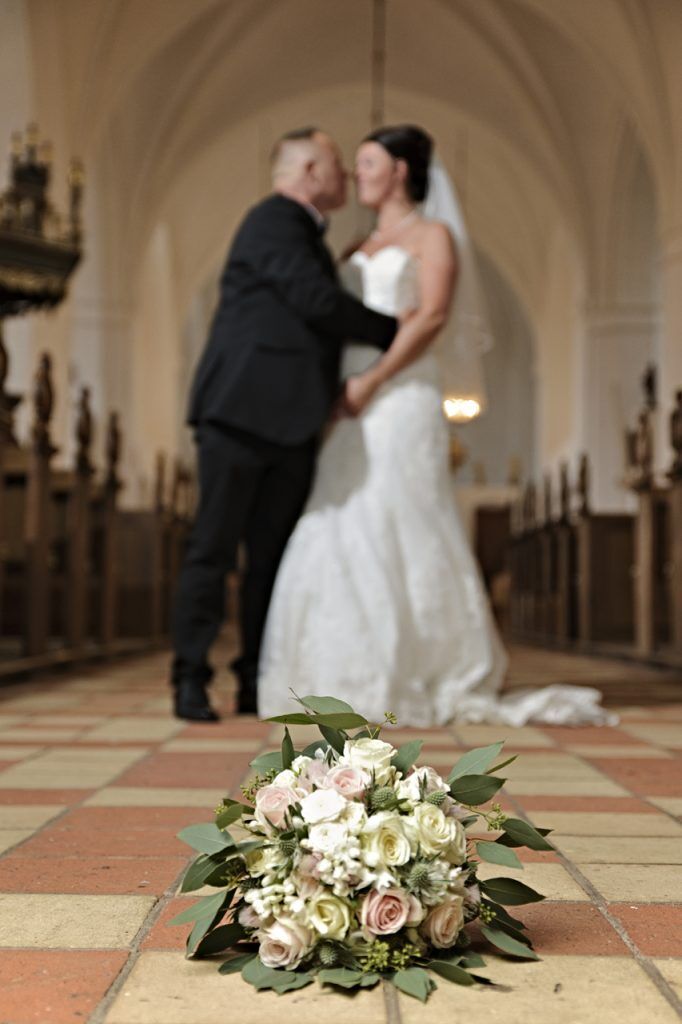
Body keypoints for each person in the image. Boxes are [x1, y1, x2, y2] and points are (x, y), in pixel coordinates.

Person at [258, 124, 615, 728]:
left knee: (403, 515)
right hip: (347, 404)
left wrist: (372, 381)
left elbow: (432, 318)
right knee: (339, 519)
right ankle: (333, 667)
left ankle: (419, 669)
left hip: (399, 398)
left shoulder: (433, 236)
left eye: (367, 162)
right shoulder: (352, 249)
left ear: (399, 169)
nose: (355, 174)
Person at [171, 128, 399, 721]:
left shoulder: (306, 234)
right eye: (334, 164)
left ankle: (252, 680)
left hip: (292, 422)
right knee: (214, 549)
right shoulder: (272, 219)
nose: (345, 175)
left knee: (269, 558)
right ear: (304, 170)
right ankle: (189, 678)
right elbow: (314, 301)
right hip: (241, 413)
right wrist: (395, 331)